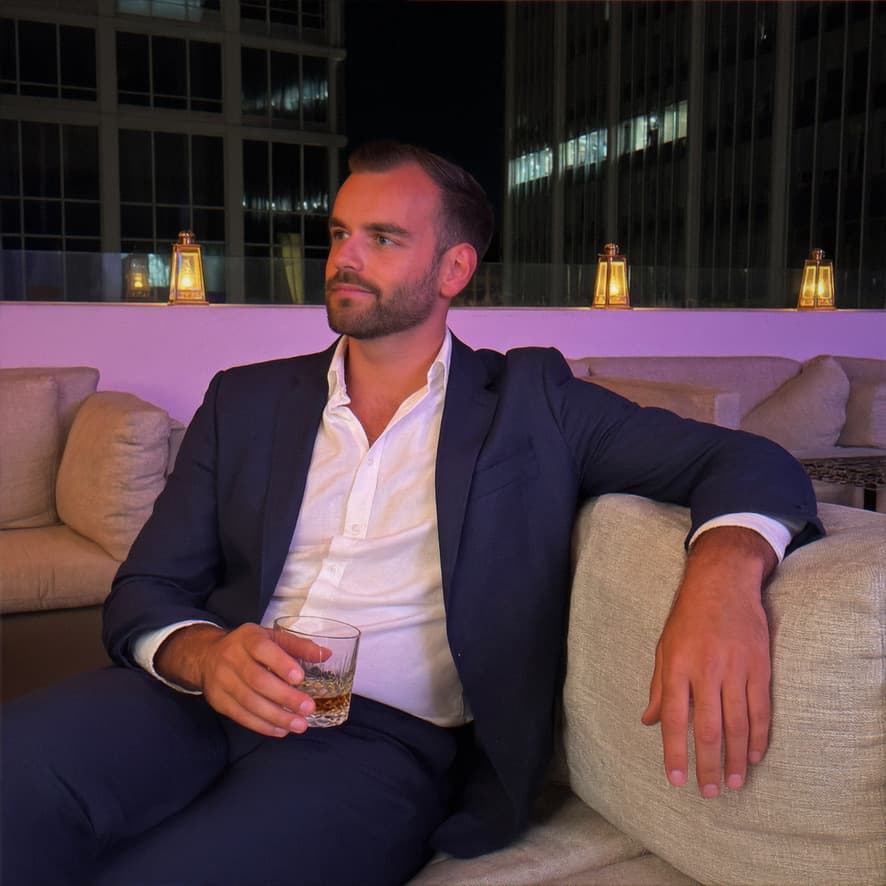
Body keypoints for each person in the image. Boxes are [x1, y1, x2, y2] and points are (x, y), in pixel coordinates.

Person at [1, 141, 822, 886]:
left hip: (377, 745)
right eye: (339, 232)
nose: (345, 257)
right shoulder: (244, 400)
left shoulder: (532, 401)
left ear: (455, 268)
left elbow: (747, 459)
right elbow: (146, 588)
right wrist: (206, 656)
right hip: (196, 698)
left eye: (383, 239)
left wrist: (722, 579)